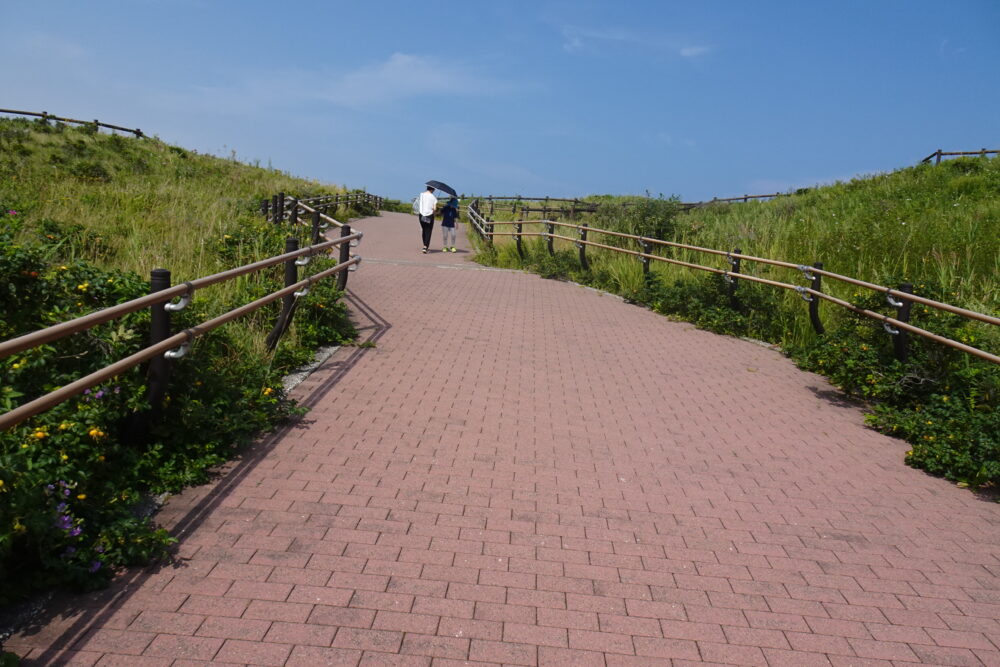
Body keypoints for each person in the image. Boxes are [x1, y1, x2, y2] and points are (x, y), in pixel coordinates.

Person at [416, 185, 438, 253]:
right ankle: (425, 246)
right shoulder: (434, 198)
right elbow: (434, 209)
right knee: (428, 231)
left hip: (421, 215)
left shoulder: (421, 195)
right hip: (429, 216)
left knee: (424, 229)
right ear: (433, 190)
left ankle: (424, 245)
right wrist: (434, 212)